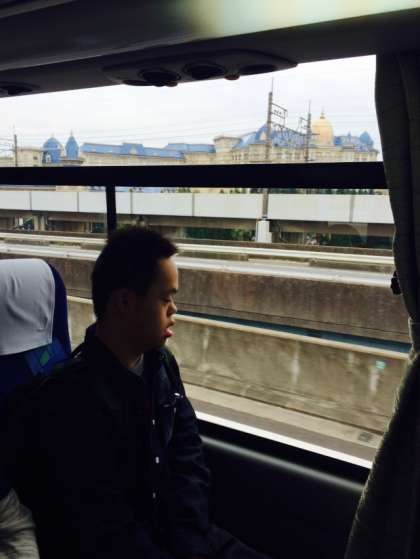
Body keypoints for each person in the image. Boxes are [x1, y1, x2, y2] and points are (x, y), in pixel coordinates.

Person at [11, 226, 269, 559]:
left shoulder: (161, 365)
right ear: (124, 303)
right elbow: (104, 526)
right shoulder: (69, 401)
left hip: (183, 536)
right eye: (165, 298)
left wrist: (190, 540)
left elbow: (188, 458)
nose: (174, 309)